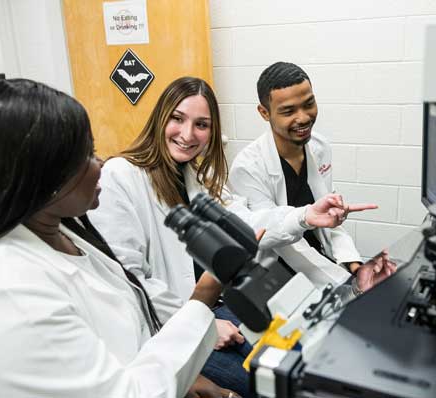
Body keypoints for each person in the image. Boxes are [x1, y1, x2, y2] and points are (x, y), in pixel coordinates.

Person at [89, 76, 374, 397]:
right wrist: (202, 323)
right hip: (174, 324)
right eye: (178, 119)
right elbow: (129, 282)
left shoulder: (196, 175)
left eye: (201, 125)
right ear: (160, 118)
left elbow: (248, 221)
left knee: (301, 364)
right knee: (268, 386)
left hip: (226, 304)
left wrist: (306, 215)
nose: (187, 134)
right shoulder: (121, 176)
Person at [0, 78, 235, 398]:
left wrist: (185, 380)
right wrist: (202, 298)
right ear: (41, 174)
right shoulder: (5, 292)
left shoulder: (66, 233)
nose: (101, 165)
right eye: (88, 154)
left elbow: (134, 335)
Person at [229, 62, 397, 295]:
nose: (304, 117)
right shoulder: (247, 167)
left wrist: (355, 266)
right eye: (288, 111)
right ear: (264, 112)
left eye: (309, 104)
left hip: (323, 265)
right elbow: (280, 242)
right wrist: (348, 283)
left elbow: (329, 221)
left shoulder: (319, 147)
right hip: (277, 280)